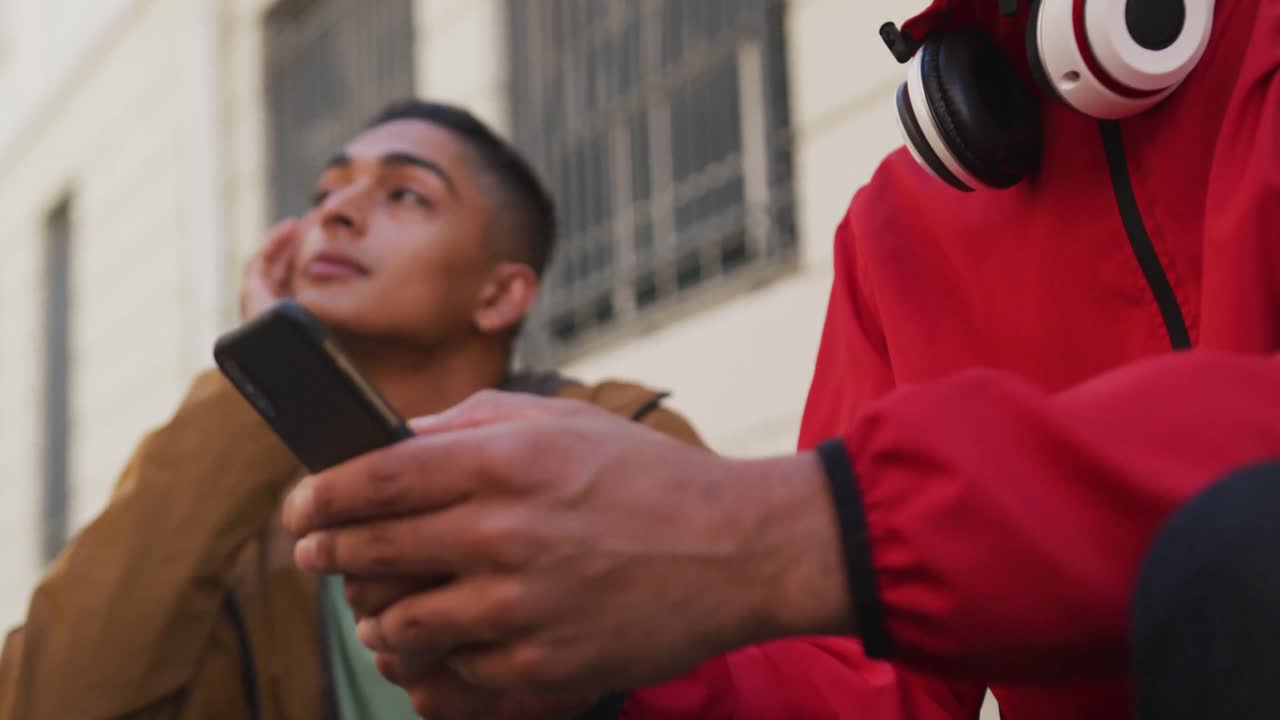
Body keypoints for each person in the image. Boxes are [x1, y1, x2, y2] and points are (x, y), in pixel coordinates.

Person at [280, 1, 1280, 718]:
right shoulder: (896, 232)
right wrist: (606, 685)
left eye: (405, 192)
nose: (338, 211)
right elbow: (865, 685)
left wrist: (792, 527)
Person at [0, 99, 706, 720]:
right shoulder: (257, 549)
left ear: (498, 297)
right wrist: (264, 372)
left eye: (405, 195)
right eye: (324, 192)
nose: (332, 213)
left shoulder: (618, 440)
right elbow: (42, 705)